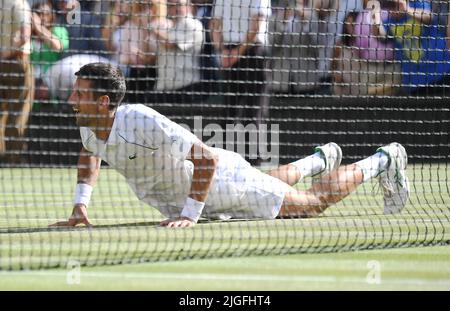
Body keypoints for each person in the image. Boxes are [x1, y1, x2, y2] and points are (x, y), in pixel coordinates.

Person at [50, 63, 410, 228]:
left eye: (79, 94)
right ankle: (320, 159)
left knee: (311, 206)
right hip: (195, 193)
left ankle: (384, 159)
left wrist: (189, 215)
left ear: (103, 102)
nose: (70, 100)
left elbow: (204, 159)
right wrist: (81, 204)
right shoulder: (89, 124)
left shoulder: (140, 119)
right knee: (268, 181)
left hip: (222, 183)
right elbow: (90, 153)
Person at [370, 0, 450, 96]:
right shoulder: (390, 22)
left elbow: (429, 17)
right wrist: (375, 15)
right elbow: (380, 36)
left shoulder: (418, 4)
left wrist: (407, 9)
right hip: (415, 81)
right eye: (387, 6)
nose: (391, 8)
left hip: (441, 71)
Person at [151, 0, 207, 105]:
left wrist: (152, 27)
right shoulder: (171, 27)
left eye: (179, 4)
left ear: (189, 6)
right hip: (165, 89)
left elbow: (170, 44)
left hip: (186, 88)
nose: (175, 8)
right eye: (171, 5)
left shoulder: (192, 24)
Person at [0, 0, 34, 163]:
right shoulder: (19, 3)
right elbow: (24, 36)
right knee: (18, 112)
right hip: (16, 62)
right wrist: (6, 54)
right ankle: (13, 159)